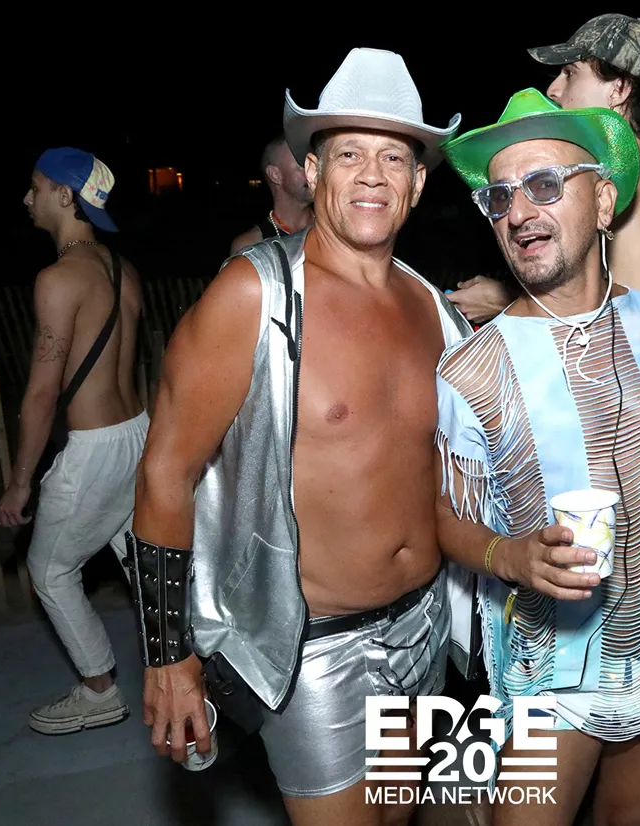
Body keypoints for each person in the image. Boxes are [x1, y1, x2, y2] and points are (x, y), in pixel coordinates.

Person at [127, 48, 471, 826]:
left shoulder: (435, 310)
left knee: (399, 816)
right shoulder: (253, 296)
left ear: (419, 183)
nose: (373, 174)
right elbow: (165, 473)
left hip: (424, 627)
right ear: (313, 173)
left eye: (394, 157)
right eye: (349, 154)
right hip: (312, 650)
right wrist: (168, 655)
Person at [435, 87, 640, 826]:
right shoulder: (471, 368)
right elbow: (443, 514)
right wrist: (510, 556)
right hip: (551, 663)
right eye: (500, 196)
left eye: (545, 185)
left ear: (604, 202)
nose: (518, 212)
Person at [0, 147, 148, 734]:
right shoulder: (121, 267)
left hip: (96, 450)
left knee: (50, 571)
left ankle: (98, 689)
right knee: (147, 566)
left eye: (35, 187)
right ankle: (195, 666)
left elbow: (41, 393)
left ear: (64, 195)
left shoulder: (58, 279)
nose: (26, 198)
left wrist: (19, 485)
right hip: (138, 434)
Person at [446, 14, 640, 325]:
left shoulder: (639, 196)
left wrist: (505, 301)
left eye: (570, 73)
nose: (553, 89)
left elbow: (625, 336)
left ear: (619, 89)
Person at [230, 136, 314, 254]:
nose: (313, 172)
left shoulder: (333, 227)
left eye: (313, 164)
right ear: (275, 175)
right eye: (302, 165)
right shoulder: (251, 247)